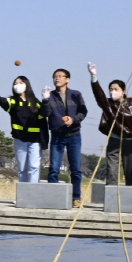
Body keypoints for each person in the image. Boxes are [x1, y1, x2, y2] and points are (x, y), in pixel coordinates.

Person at [89, 62, 132, 187]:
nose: (113, 92)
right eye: (111, 89)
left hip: (131, 141)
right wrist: (94, 77)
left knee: (131, 170)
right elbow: (99, 95)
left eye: (116, 89)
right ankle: (111, 198)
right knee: (112, 170)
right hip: (114, 140)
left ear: (124, 91)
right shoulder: (108, 104)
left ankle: (130, 196)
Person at [0, 75, 45, 183]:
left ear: (27, 85)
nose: (18, 85)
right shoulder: (13, 101)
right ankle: (23, 196)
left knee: (34, 168)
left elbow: (43, 121)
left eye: (21, 83)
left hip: (35, 141)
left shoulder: (36, 102)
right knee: (22, 169)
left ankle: (33, 195)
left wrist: (44, 141)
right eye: (15, 83)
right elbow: (4, 102)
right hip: (20, 139)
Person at [44, 68, 88, 205]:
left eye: (60, 76)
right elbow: (45, 113)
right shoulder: (50, 96)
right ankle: (54, 197)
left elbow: (83, 112)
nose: (57, 78)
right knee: (54, 168)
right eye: (55, 76)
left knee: (76, 169)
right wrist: (45, 100)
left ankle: (76, 197)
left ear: (67, 79)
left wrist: (73, 119)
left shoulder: (76, 94)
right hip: (57, 135)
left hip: (74, 135)